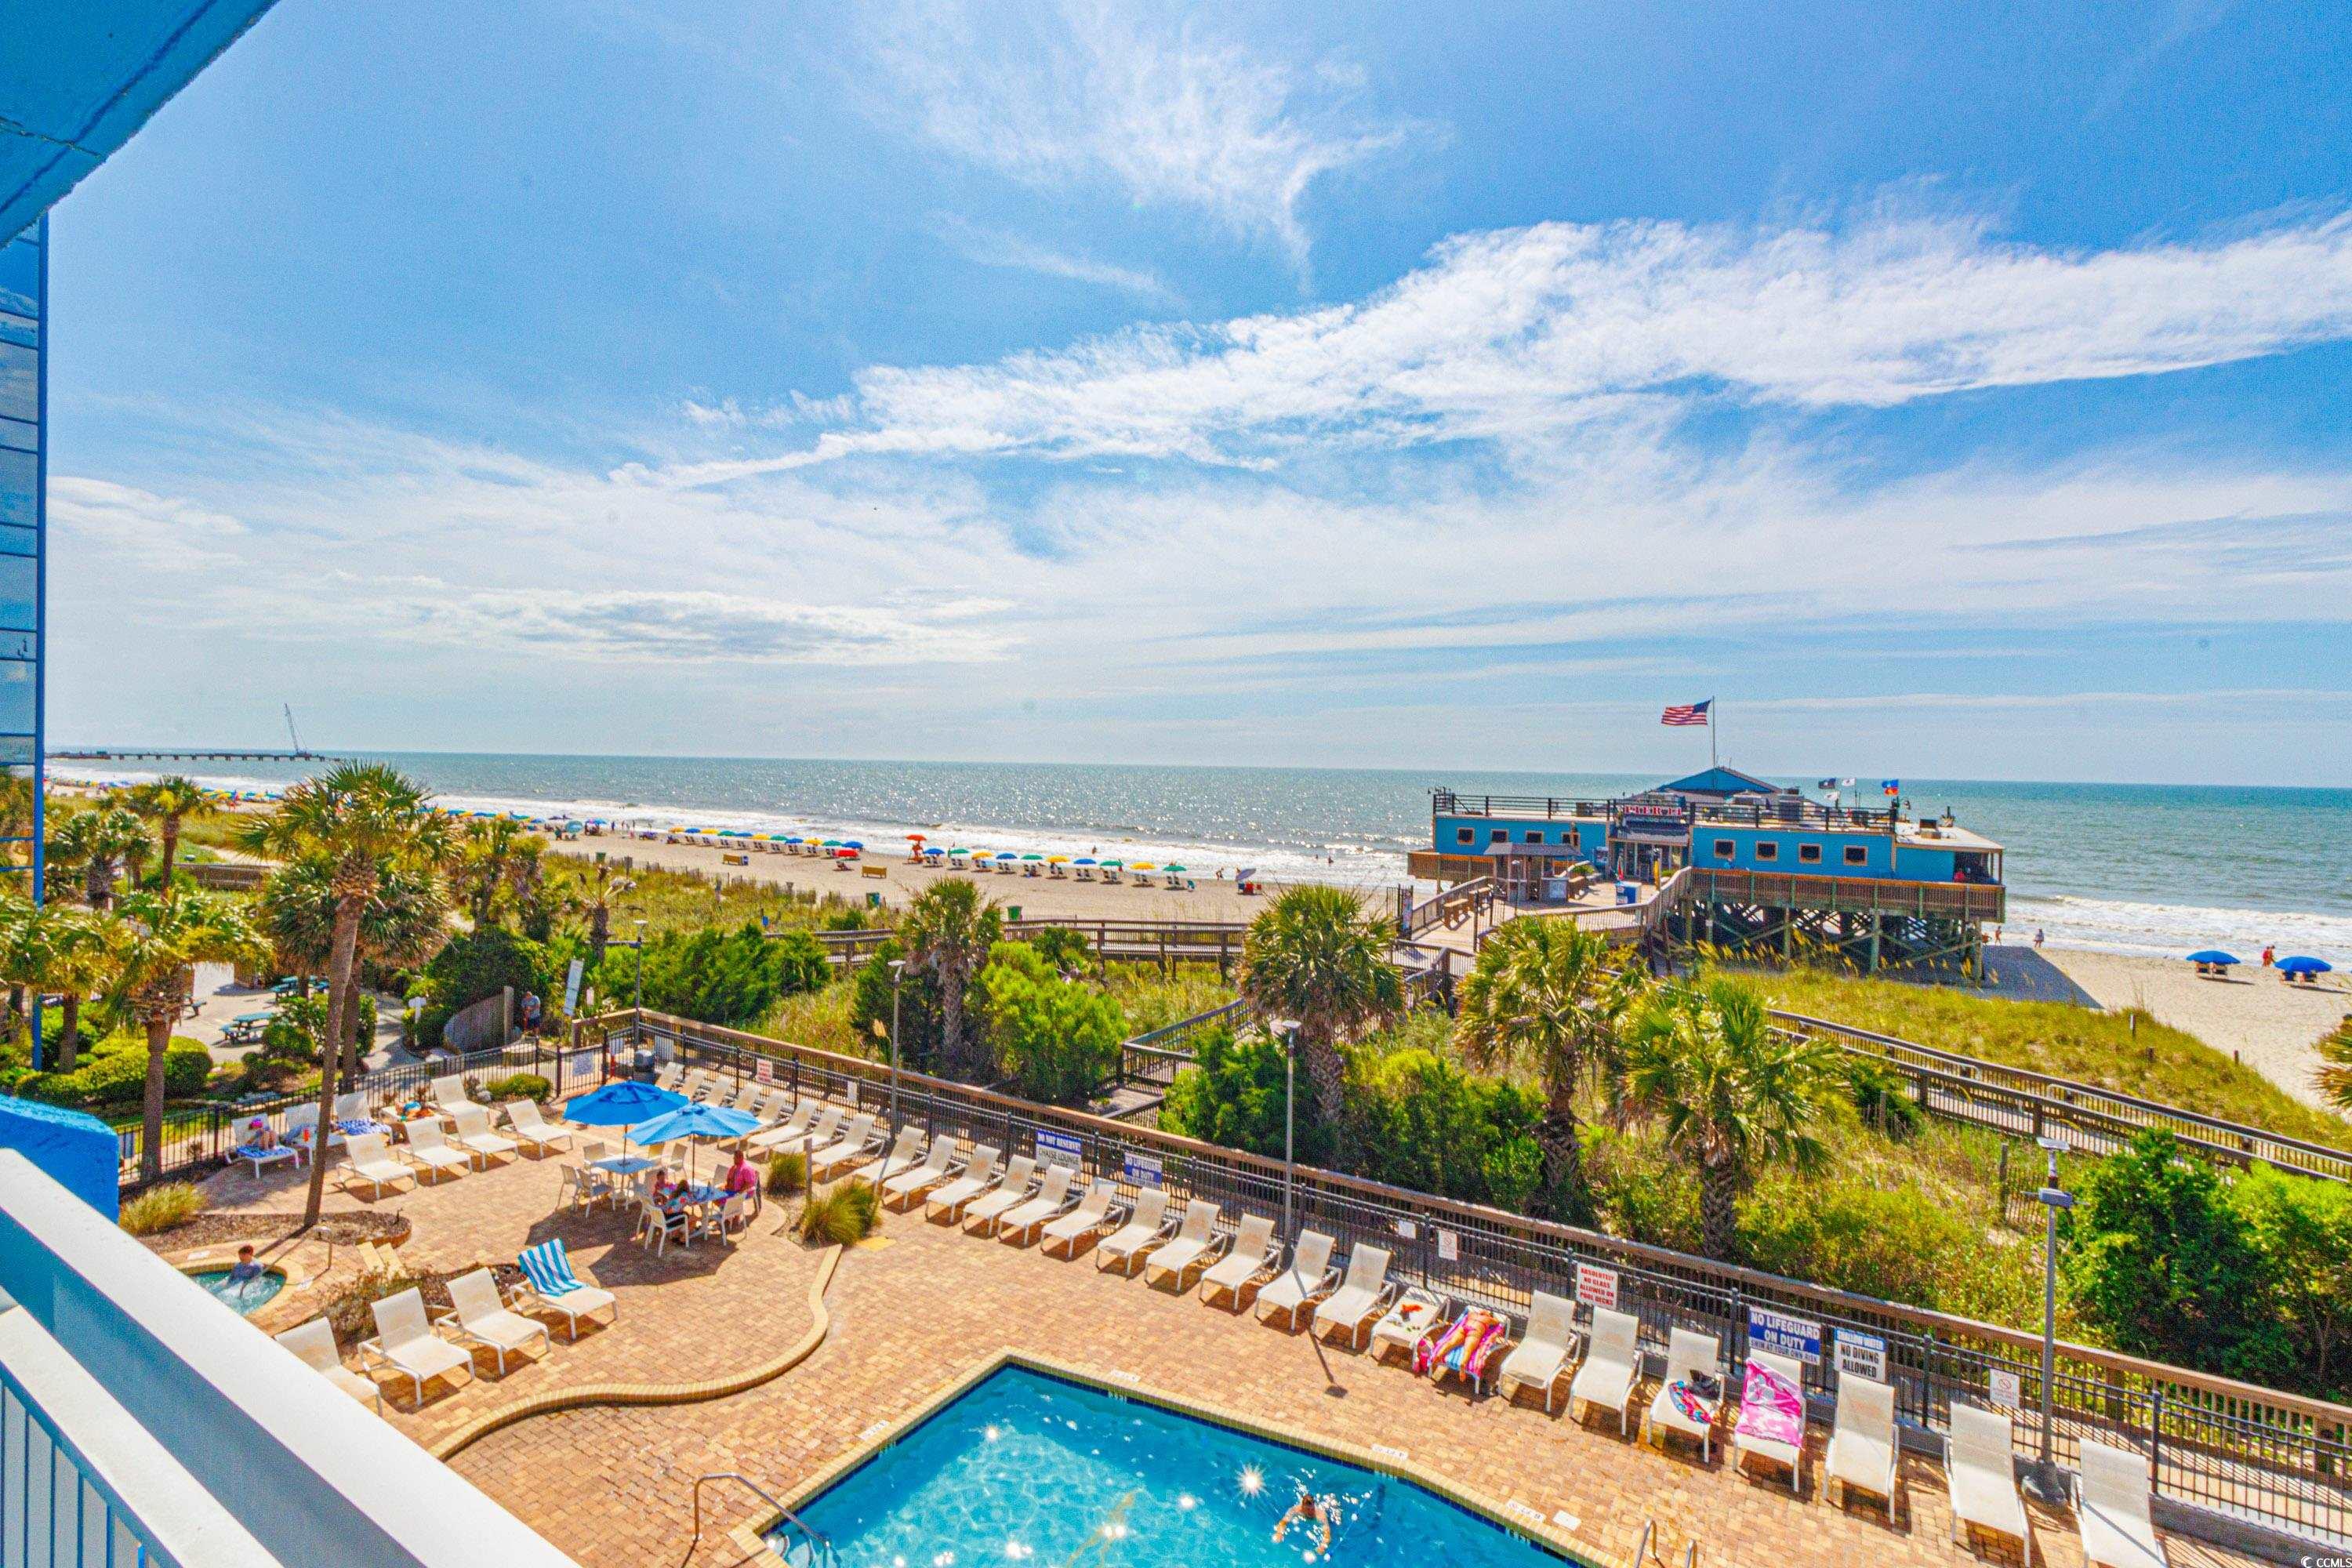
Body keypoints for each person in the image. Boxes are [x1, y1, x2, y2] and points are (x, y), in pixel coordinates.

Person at [1272, 1486, 1334, 1555]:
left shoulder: (1321, 1515)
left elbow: (1327, 1534)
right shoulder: (1295, 1510)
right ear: (1302, 1508)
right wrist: (1279, 1533)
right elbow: (1283, 1522)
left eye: (1312, 1509)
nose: (1310, 1512)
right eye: (1308, 1509)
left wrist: (1323, 1546)